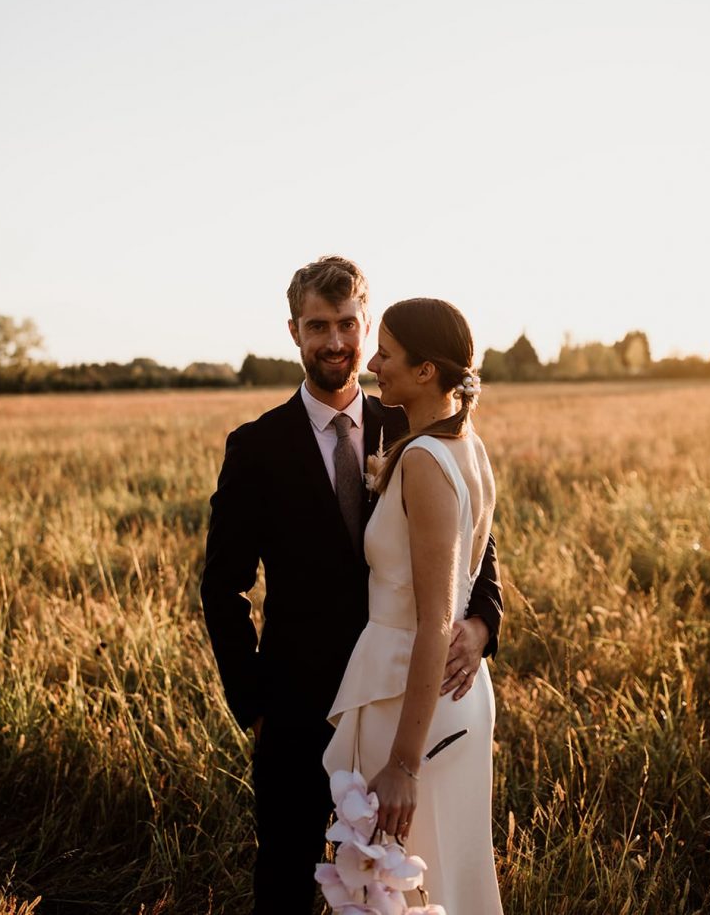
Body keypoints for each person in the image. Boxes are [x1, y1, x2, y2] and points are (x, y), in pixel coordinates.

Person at [201, 258, 503, 915]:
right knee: (285, 873)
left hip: (400, 699)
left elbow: (475, 548)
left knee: (398, 885)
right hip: (296, 707)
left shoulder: (410, 422)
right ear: (294, 331)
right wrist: (252, 699)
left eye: (347, 324)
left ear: (366, 329)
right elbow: (222, 586)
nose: (335, 341)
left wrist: (480, 624)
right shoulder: (255, 447)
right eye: (318, 326)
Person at [323, 297, 503, 914]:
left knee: (403, 888)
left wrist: (403, 764)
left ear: (427, 370)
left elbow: (433, 621)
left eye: (388, 353)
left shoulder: (425, 461)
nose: (372, 363)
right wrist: (477, 624)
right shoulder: (466, 444)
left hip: (410, 694)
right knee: (451, 877)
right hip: (456, 695)